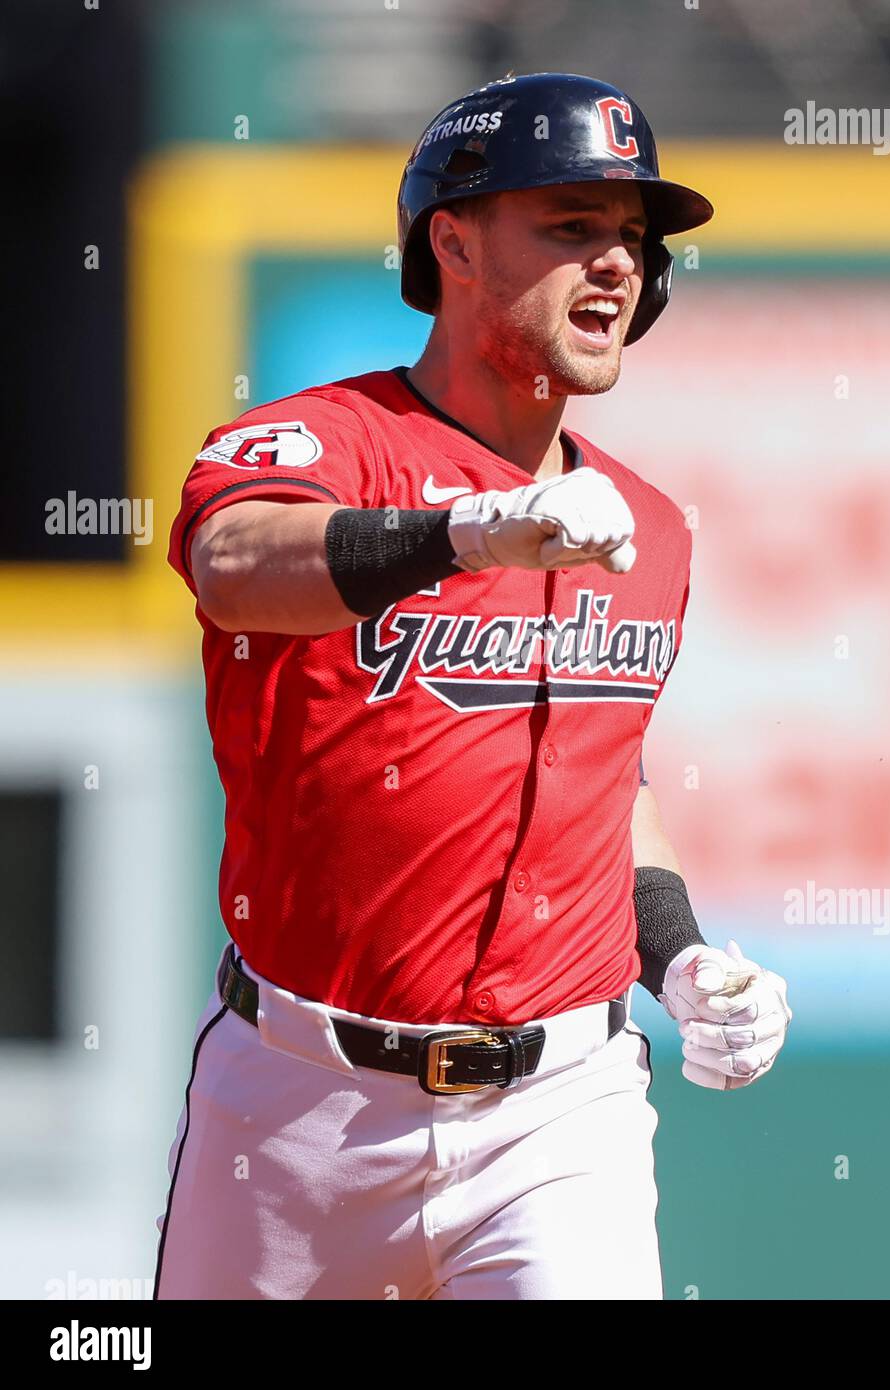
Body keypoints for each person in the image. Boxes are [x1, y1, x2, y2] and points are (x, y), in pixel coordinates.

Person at [155, 71, 791, 1302]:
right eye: (570, 226)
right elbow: (237, 566)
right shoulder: (323, 442)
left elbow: (610, 783)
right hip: (298, 1108)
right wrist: (467, 533)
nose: (616, 264)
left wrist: (681, 961)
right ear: (451, 240)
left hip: (562, 1112)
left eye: (633, 240)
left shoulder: (644, 523)